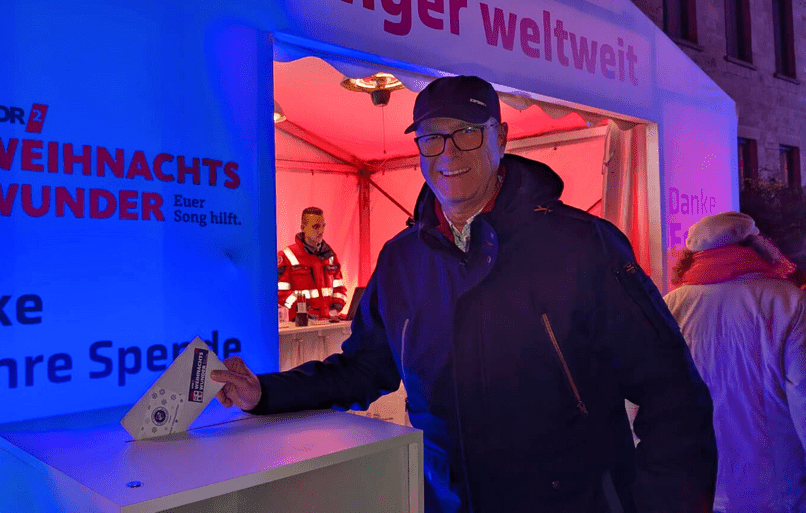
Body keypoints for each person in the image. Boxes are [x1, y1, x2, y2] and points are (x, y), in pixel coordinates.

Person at [214, 75, 716, 512]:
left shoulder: (584, 246)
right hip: (447, 502)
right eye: (432, 138)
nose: (449, 153)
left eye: (467, 133)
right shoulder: (402, 260)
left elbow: (674, 395)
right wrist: (267, 393)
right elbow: (363, 368)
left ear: (501, 137)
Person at [664, 212, 806, 513]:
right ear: (757, 246)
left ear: (690, 257)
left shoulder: (671, 306)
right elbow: (803, 394)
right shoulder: (787, 301)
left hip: (699, 482)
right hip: (777, 483)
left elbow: (647, 397)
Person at [277, 206, 346, 323]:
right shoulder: (287, 255)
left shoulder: (330, 255)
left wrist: (335, 309)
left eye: (323, 226)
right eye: (316, 227)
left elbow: (339, 288)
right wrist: (302, 310)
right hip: (301, 325)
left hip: (328, 322)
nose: (321, 231)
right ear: (303, 228)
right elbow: (281, 293)